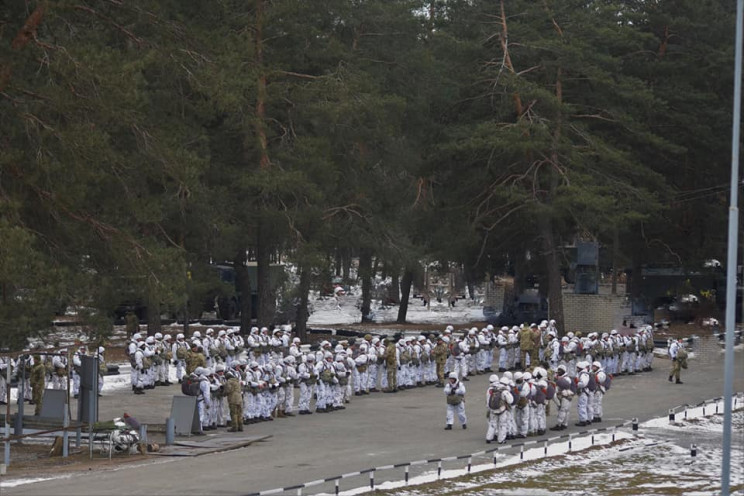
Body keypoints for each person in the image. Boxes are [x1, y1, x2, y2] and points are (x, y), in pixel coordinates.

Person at [486, 374, 513, 444]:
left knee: (492, 423)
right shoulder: (505, 391)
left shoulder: (493, 389)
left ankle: (488, 438)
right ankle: (501, 440)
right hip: (502, 410)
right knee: (502, 425)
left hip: (493, 410)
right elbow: (510, 401)